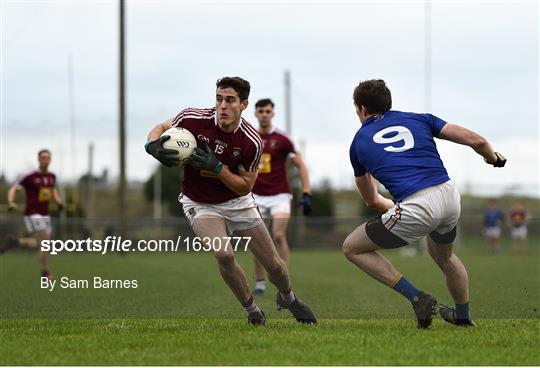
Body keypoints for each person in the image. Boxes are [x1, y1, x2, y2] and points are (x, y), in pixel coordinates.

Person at [144, 77, 316, 325]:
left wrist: (216, 167)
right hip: (199, 202)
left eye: (230, 100)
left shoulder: (251, 141)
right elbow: (160, 127)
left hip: (238, 203)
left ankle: (289, 298)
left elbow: (245, 186)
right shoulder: (192, 118)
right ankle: (252, 310)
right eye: (219, 99)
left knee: (275, 266)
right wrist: (152, 145)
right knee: (224, 255)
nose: (222, 105)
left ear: (244, 104)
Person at [343, 79, 506, 328]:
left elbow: (372, 200)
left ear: (362, 109)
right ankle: (463, 317)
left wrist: (404, 211)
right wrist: (493, 159)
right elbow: (478, 141)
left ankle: (417, 298)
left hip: (416, 206)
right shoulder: (420, 118)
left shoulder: (358, 143)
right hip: (449, 195)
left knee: (352, 247)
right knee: (445, 257)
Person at [250, 98, 312, 295]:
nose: (264, 114)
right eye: (260, 111)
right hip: (255, 195)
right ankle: (260, 283)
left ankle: (284, 281)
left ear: (272, 113)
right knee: (258, 239)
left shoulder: (283, 139)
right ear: (255, 113)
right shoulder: (249, 137)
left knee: (278, 235)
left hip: (280, 195)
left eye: (267, 111)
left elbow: (300, 164)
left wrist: (306, 192)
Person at [7, 149, 63, 279]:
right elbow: (14, 188)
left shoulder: (51, 177)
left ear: (50, 160)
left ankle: (17, 242)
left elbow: (52, 190)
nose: (45, 160)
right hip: (33, 214)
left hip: (45, 215)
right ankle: (45, 272)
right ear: (38, 159)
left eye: (47, 157)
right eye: (43, 157)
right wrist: (11, 202)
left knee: (43, 244)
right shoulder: (31, 177)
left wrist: (59, 201)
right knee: (45, 240)